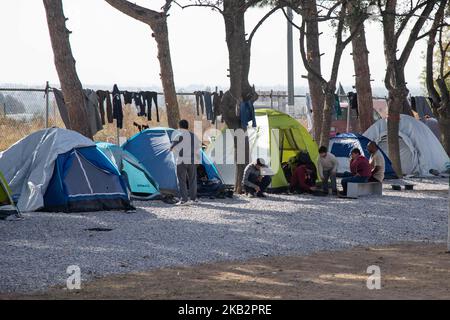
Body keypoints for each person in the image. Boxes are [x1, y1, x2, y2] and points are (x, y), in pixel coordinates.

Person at [170, 119, 201, 205]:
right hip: (192, 160)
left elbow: (171, 148)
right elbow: (198, 149)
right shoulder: (194, 136)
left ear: (179, 127)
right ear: (187, 126)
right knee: (192, 180)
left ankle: (184, 199)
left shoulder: (178, 136)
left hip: (181, 161)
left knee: (182, 180)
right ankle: (194, 199)